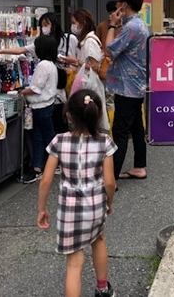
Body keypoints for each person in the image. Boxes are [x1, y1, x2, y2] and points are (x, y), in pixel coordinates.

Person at [37, 89, 117, 297]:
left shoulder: (59, 141)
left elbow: (46, 180)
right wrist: (109, 202)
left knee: (74, 264)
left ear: (68, 115)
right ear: (97, 114)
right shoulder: (104, 142)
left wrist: (42, 209)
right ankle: (102, 288)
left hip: (69, 212)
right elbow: (109, 181)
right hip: (96, 206)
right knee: (98, 239)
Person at [0, 12, 78, 135]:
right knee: (49, 130)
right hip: (51, 92)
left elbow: (78, 60)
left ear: (54, 25)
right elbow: (21, 50)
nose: (44, 28)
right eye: (42, 25)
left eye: (46, 24)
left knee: (55, 127)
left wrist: (72, 69)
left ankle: (56, 150)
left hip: (65, 85)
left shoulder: (70, 39)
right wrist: (1, 50)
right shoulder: (41, 44)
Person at [105, 0, 149, 181]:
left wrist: (112, 25)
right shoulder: (139, 24)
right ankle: (139, 165)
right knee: (136, 127)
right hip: (137, 84)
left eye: (117, 3)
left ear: (123, 5)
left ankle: (111, 177)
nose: (115, 7)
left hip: (128, 87)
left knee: (120, 131)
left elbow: (109, 50)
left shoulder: (130, 27)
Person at [20, 35, 58, 183]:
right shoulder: (51, 64)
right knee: (40, 136)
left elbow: (35, 88)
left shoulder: (43, 65)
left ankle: (60, 162)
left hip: (41, 106)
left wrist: (22, 91)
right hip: (46, 105)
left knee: (47, 136)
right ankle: (37, 167)